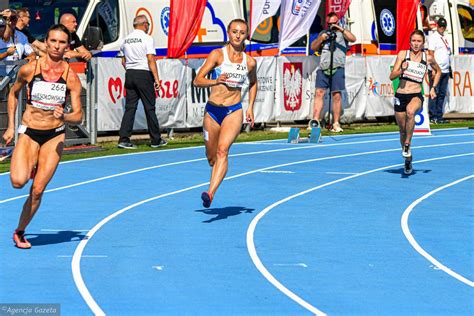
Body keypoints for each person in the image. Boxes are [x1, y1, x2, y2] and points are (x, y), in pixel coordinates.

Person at [2, 24, 83, 249]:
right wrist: (11, 126)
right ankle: (31, 163)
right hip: (29, 130)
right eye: (53, 41)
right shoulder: (30, 69)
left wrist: (65, 116)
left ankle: (19, 231)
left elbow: (78, 115)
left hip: (54, 136)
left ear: (67, 46)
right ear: (46, 42)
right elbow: (13, 93)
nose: (57, 46)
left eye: (62, 42)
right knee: (18, 182)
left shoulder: (71, 76)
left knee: (37, 190)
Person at [193, 19, 257, 208]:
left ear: (246, 35)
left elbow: (253, 83)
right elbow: (198, 80)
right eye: (235, 31)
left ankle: (210, 193)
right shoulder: (217, 55)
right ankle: (215, 174)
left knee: (223, 150)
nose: (238, 35)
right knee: (211, 156)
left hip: (233, 110)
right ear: (228, 33)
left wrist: (251, 107)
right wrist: (216, 81)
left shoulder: (250, 62)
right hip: (213, 111)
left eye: (242, 32)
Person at [389, 30, 441, 175]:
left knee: (411, 112)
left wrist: (433, 88)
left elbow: (438, 71)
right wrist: (401, 70)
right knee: (402, 130)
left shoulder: (428, 57)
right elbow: (391, 76)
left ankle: (407, 145)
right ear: (410, 42)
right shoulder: (402, 55)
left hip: (416, 94)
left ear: (423, 42)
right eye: (414, 41)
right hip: (401, 94)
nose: (416, 44)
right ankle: (408, 158)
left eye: (419, 41)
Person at [117, 15, 167, 149]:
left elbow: (123, 61)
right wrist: (156, 79)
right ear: (145, 24)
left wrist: (131, 70)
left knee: (130, 108)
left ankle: (124, 139)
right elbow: (151, 59)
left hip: (130, 74)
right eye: (148, 25)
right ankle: (156, 139)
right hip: (143, 74)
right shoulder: (147, 38)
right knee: (149, 107)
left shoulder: (125, 40)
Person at [309, 12, 356, 132]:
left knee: (336, 95)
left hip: (338, 67)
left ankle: (336, 123)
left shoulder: (342, 33)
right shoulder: (323, 33)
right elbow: (313, 47)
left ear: (338, 22)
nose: (331, 26)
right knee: (319, 93)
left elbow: (353, 38)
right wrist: (321, 38)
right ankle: (315, 121)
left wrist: (339, 28)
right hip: (324, 67)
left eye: (334, 23)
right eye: (329, 24)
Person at [427, 17, 451, 124]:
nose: (442, 28)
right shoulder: (433, 37)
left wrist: (449, 67)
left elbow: (447, 53)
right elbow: (431, 53)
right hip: (437, 70)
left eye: (443, 27)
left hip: (445, 70)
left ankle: (439, 116)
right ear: (437, 26)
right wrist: (433, 68)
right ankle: (432, 117)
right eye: (440, 26)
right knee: (434, 93)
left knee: (441, 94)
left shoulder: (444, 37)